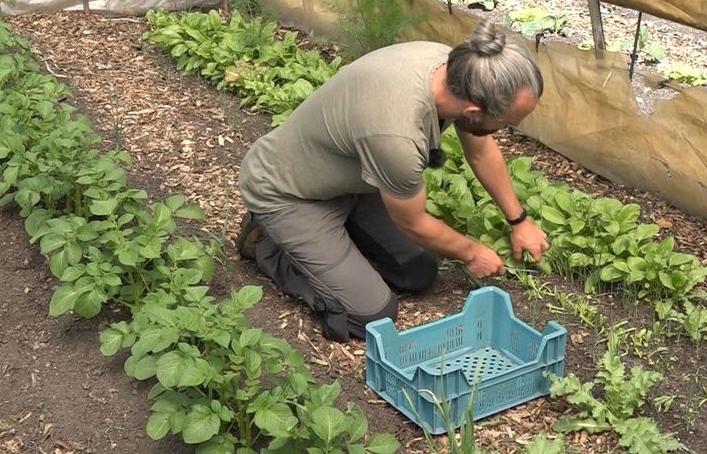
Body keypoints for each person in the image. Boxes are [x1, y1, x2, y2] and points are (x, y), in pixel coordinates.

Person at [234, 20, 549, 341]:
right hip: (288, 193)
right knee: (369, 315)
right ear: (473, 110)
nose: (506, 129)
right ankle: (268, 244)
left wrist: (519, 221)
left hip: (353, 182)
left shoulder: (456, 69)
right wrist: (472, 253)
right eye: (505, 122)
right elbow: (413, 223)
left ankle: (332, 245)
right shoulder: (397, 134)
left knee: (418, 272)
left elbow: (480, 150)